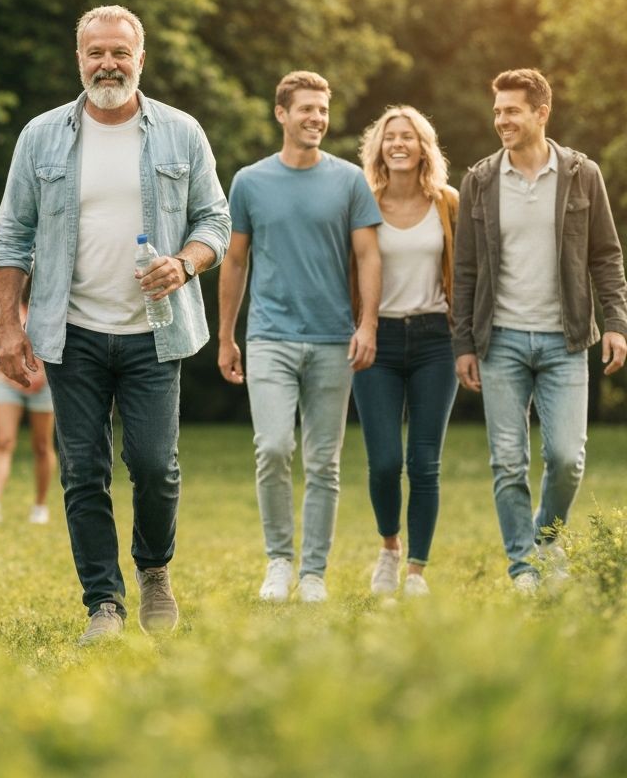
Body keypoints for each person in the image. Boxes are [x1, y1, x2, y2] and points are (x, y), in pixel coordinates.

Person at [0, 4, 231, 645]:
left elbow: (216, 222)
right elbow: (11, 234)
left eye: (120, 53)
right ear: (79, 59)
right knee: (82, 471)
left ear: (140, 59)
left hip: (156, 331)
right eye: (96, 52)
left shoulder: (181, 132)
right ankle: (104, 603)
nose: (108, 64)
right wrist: (8, 326)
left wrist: (184, 263)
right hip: (71, 332)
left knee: (155, 466)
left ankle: (154, 570)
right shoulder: (41, 136)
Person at [453, 68, 627, 592]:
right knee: (508, 462)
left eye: (512, 110)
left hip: (566, 339)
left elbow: (606, 256)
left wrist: (616, 322)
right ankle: (524, 569)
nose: (501, 119)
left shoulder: (580, 174)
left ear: (541, 112)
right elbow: (464, 270)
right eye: (498, 110)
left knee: (566, 458)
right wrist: (463, 342)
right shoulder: (481, 180)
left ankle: (547, 541)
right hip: (499, 339)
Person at [218, 70, 381, 604]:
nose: (316, 118)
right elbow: (235, 260)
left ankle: (313, 573)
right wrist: (226, 335)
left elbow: (367, 256)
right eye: (305, 109)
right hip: (269, 337)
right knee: (272, 447)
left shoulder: (350, 181)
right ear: (281, 114)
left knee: (323, 462)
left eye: (322, 110)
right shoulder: (249, 181)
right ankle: (279, 562)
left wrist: (367, 324)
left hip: (334, 339)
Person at [350, 106, 459, 597]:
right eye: (390, 136)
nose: (398, 143)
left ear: (423, 148)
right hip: (379, 340)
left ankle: (416, 571)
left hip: (437, 339)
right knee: (384, 461)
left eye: (408, 137)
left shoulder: (447, 203)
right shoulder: (363, 203)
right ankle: (390, 548)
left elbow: (469, 269)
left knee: (425, 461)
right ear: (379, 148)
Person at [0, 278, 56, 526]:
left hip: (44, 385)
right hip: (7, 383)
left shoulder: (51, 308)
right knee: (3, 441)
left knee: (42, 445)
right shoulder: (7, 310)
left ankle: (40, 506)